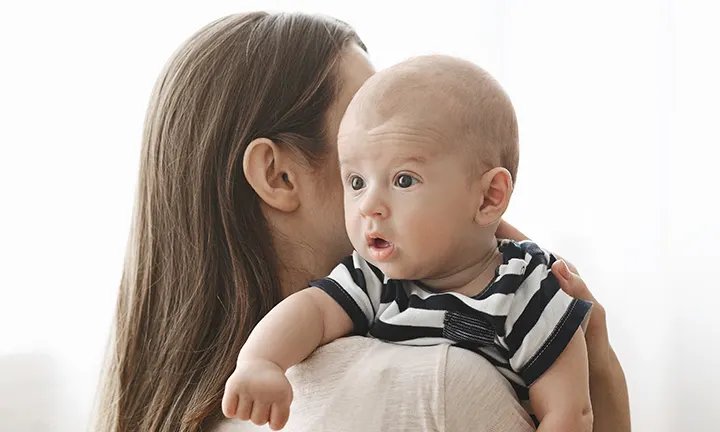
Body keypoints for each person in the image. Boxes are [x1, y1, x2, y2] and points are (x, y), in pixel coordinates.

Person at [96, 11, 631, 432]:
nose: (388, 126)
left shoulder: (205, 402)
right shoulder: (437, 386)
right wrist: (600, 373)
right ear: (278, 176)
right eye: (360, 128)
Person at [222, 55, 593, 432]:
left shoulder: (526, 287)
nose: (368, 205)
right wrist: (261, 363)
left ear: (488, 198)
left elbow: (569, 412)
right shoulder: (374, 278)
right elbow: (310, 313)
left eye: (403, 180)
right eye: (356, 182)